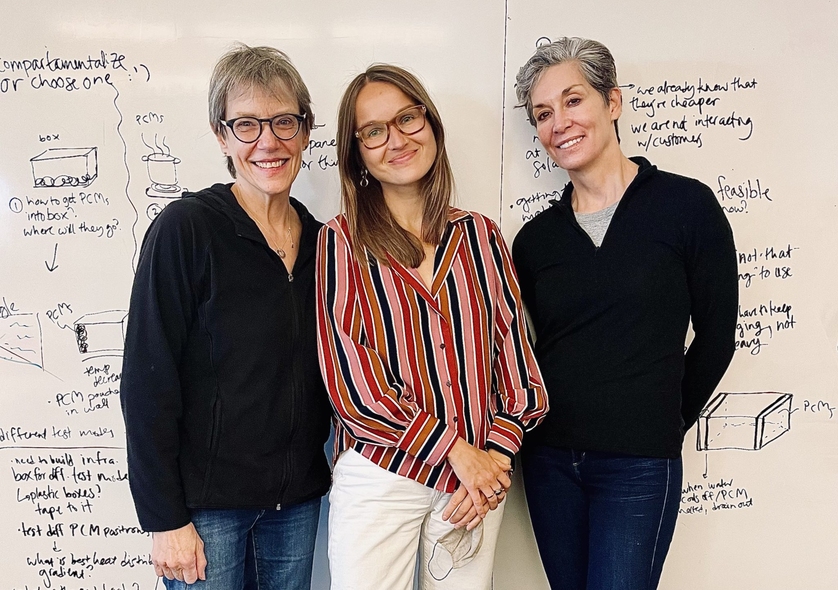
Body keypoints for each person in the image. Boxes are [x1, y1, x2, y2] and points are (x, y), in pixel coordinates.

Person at [511, 37, 738, 590]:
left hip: (639, 465)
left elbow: (716, 337)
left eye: (573, 101)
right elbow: (523, 351)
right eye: (543, 113)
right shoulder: (534, 241)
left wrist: (661, 421)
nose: (559, 122)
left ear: (612, 102)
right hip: (549, 465)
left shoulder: (687, 207)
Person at [316, 64, 549, 590]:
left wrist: (494, 456)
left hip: (475, 483)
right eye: (373, 131)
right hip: (383, 474)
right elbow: (353, 384)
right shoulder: (341, 242)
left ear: (432, 125)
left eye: (407, 118)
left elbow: (516, 367)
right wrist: (455, 451)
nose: (396, 139)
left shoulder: (481, 236)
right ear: (357, 155)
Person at [120, 44, 332, 589]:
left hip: (297, 507)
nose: (269, 141)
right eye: (246, 125)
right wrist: (165, 519)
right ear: (221, 136)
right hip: (206, 512)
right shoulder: (186, 229)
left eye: (285, 122)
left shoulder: (322, 244)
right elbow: (146, 382)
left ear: (305, 131)